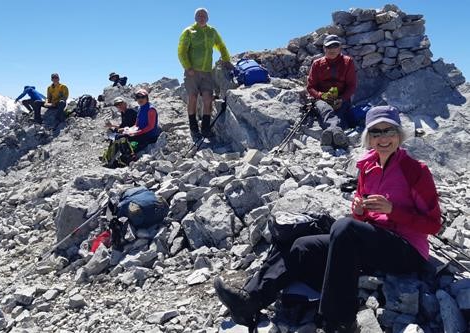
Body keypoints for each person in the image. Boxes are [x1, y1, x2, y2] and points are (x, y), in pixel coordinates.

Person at [214, 106, 441, 332]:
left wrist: (393, 210)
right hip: (375, 242)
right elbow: (361, 220)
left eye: (388, 131)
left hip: (407, 251)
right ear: (368, 138)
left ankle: (340, 320)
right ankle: (251, 300)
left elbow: (433, 224)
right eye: (376, 132)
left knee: (344, 228)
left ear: (399, 135)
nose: (383, 138)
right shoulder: (367, 167)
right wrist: (360, 212)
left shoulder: (415, 171)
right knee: (303, 245)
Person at [178, 7, 232, 139]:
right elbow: (181, 51)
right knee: (193, 98)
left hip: (207, 72)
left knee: (208, 99)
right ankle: (193, 127)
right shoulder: (189, 31)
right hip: (192, 72)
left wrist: (226, 59)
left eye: (204, 15)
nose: (201, 17)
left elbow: (221, 45)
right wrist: (188, 67)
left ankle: (206, 128)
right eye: (199, 15)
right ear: (195, 17)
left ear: (207, 18)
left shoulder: (212, 31)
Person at [307, 35, 357, 148]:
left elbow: (351, 85)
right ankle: (337, 133)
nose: (332, 49)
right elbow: (310, 87)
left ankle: (330, 133)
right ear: (324, 48)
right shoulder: (317, 64)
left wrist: (342, 98)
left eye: (336, 46)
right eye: (329, 47)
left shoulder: (348, 62)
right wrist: (321, 95)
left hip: (341, 97)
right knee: (326, 109)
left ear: (340, 48)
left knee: (339, 111)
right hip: (322, 98)